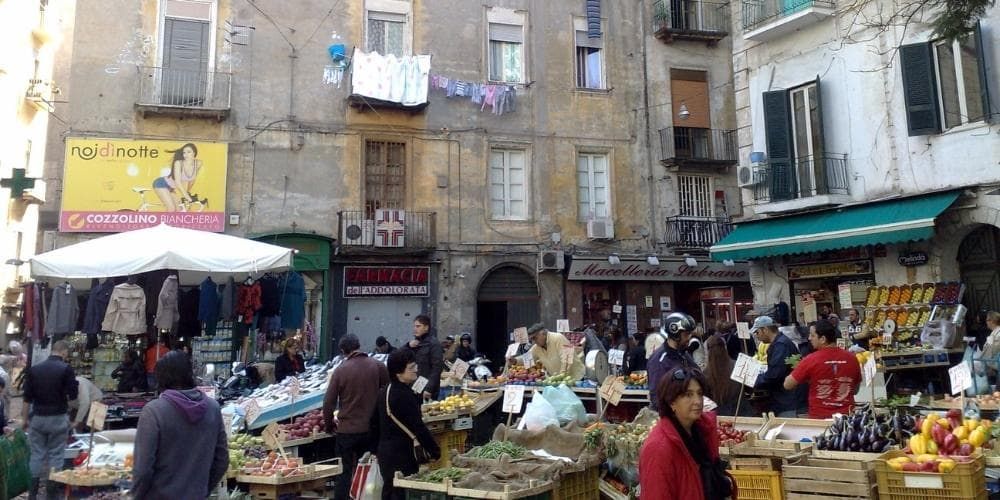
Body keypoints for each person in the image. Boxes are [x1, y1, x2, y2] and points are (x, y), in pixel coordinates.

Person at [132, 351, 228, 499]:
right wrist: (202, 490)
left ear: (161, 377)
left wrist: (136, 496)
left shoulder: (154, 411)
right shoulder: (213, 408)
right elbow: (221, 460)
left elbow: (142, 470)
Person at [639, 367, 736, 500]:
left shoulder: (702, 431)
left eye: (699, 393)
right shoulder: (658, 448)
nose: (697, 401)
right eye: (688, 395)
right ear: (671, 401)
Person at [324, 334, 390, 500]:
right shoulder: (378, 366)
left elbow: (328, 403)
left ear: (343, 351)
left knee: (345, 471)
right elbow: (388, 392)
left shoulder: (340, 370)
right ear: (359, 345)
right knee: (370, 468)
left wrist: (329, 424)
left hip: (346, 431)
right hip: (371, 430)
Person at [375, 349, 441, 500]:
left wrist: (375, 449)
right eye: (411, 368)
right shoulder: (404, 395)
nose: (416, 369)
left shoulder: (384, 392)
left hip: (385, 453)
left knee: (389, 490)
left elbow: (374, 424)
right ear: (399, 373)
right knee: (402, 492)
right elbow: (418, 427)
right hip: (403, 454)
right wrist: (434, 450)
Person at [22, 340, 78, 500]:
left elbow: (26, 398)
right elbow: (73, 396)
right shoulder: (66, 369)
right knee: (56, 455)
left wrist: (24, 419)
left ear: (52, 350)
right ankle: (51, 495)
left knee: (36, 454)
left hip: (37, 418)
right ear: (64, 352)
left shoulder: (34, 370)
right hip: (58, 418)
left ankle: (32, 495)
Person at [784, 319, 863, 418]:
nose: (809, 338)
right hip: (847, 419)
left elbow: (787, 384)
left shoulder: (810, 360)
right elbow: (855, 390)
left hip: (819, 420)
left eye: (812, 335)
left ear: (823, 339)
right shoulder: (852, 358)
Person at [750, 316, 802, 417]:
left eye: (757, 332)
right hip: (787, 398)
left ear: (765, 330)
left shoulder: (781, 345)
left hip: (788, 400)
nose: (756, 336)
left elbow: (774, 375)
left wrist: (753, 380)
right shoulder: (780, 343)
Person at [647, 313, 699, 410]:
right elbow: (656, 396)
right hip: (670, 415)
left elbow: (698, 375)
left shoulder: (683, 354)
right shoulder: (659, 360)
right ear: (675, 334)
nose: (689, 337)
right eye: (686, 334)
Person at [403, 315, 444, 400]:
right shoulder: (414, 343)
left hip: (427, 389)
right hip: (414, 386)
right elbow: (400, 356)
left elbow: (437, 368)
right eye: (414, 326)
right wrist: (408, 346)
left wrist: (429, 388)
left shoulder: (434, 344)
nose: (415, 329)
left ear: (426, 327)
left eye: (418, 326)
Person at [152, 142, 202, 212]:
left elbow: (192, 180)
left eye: (189, 152)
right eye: (184, 153)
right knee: (171, 208)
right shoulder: (179, 163)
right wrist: (187, 197)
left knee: (178, 210)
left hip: (171, 188)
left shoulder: (198, 163)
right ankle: (163, 223)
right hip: (161, 183)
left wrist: (188, 193)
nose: (186, 155)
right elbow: (178, 182)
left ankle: (170, 223)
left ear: (194, 153)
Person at [704, 334, 743, 416]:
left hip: (718, 416)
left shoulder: (705, 374)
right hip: (742, 412)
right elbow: (749, 389)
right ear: (725, 347)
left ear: (708, 351)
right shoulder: (739, 365)